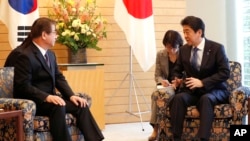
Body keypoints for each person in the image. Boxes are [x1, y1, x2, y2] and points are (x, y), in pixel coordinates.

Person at [4, 17, 104, 141]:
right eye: (54, 32)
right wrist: (47, 97)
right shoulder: (23, 55)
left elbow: (58, 77)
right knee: (58, 106)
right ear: (44, 35)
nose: (57, 36)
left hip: (51, 100)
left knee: (81, 105)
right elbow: (23, 86)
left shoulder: (50, 54)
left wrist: (71, 95)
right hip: (33, 101)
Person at [169, 16, 230, 141]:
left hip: (214, 90)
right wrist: (177, 79)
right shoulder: (184, 50)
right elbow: (176, 70)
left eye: (187, 31)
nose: (185, 36)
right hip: (193, 91)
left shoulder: (217, 48)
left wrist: (203, 82)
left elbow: (225, 72)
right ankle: (175, 137)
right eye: (184, 32)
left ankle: (203, 138)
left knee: (206, 99)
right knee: (178, 98)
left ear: (199, 32)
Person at [148, 30, 183, 141]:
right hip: (166, 85)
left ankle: (161, 129)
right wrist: (162, 81)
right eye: (168, 47)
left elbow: (188, 72)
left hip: (180, 85)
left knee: (159, 94)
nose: (171, 50)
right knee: (156, 94)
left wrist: (179, 81)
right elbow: (157, 75)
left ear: (179, 45)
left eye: (174, 48)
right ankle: (155, 128)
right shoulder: (160, 54)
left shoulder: (184, 54)